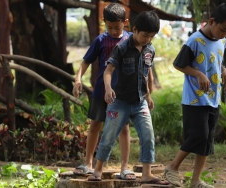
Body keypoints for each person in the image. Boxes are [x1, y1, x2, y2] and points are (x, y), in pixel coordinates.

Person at [87, 11, 169, 185]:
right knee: (108, 136)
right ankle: (97, 170)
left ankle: (147, 173)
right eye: (145, 35)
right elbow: (108, 71)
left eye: (151, 36)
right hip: (120, 102)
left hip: (140, 102)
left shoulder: (150, 50)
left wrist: (149, 95)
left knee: (148, 136)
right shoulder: (122, 48)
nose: (147, 39)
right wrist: (108, 89)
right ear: (134, 29)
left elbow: (146, 74)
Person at [164, 3, 226, 188]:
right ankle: (172, 167)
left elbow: (216, 59)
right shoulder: (194, 40)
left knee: (207, 140)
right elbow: (178, 64)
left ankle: (196, 180)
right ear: (211, 21)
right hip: (194, 100)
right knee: (198, 136)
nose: (225, 34)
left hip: (213, 98)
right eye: (222, 29)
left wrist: (224, 70)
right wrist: (198, 74)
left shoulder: (222, 40)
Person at [72, 3, 143, 180]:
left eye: (116, 27)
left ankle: (125, 167)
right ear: (104, 22)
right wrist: (78, 79)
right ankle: (88, 163)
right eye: (109, 27)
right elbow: (85, 62)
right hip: (101, 91)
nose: (112, 30)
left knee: (124, 128)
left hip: (123, 94)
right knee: (95, 125)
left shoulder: (130, 40)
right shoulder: (101, 40)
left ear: (125, 23)